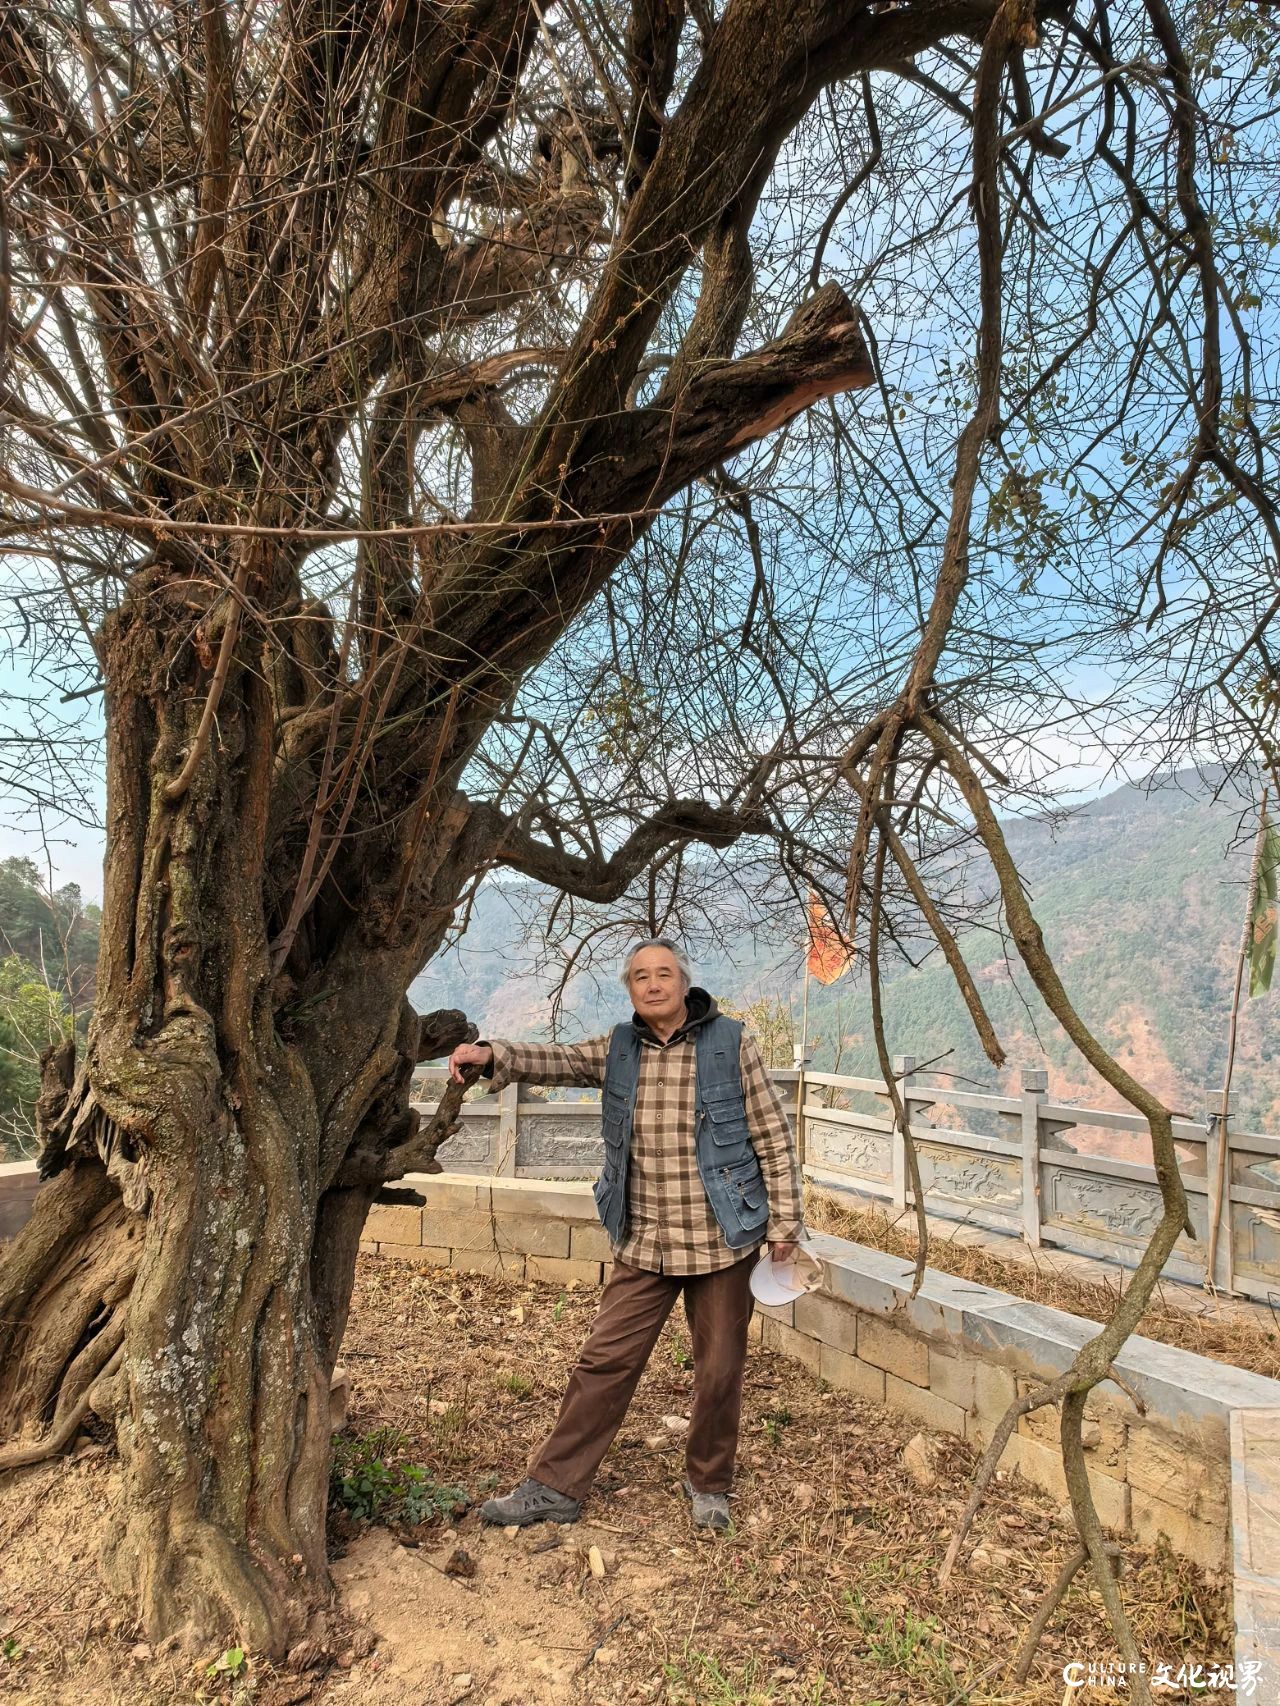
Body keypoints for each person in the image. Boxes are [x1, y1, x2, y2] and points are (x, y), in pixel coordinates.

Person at [446, 937, 804, 1533]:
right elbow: (557, 1060)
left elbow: (772, 1135)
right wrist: (491, 1054)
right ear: (630, 990)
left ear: (684, 983)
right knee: (604, 1361)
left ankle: (709, 1482)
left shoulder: (731, 1043)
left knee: (720, 1368)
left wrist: (785, 1225)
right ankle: (554, 1487)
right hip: (645, 1238)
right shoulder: (618, 1048)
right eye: (641, 976)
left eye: (664, 973)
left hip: (721, 1237)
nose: (653, 984)